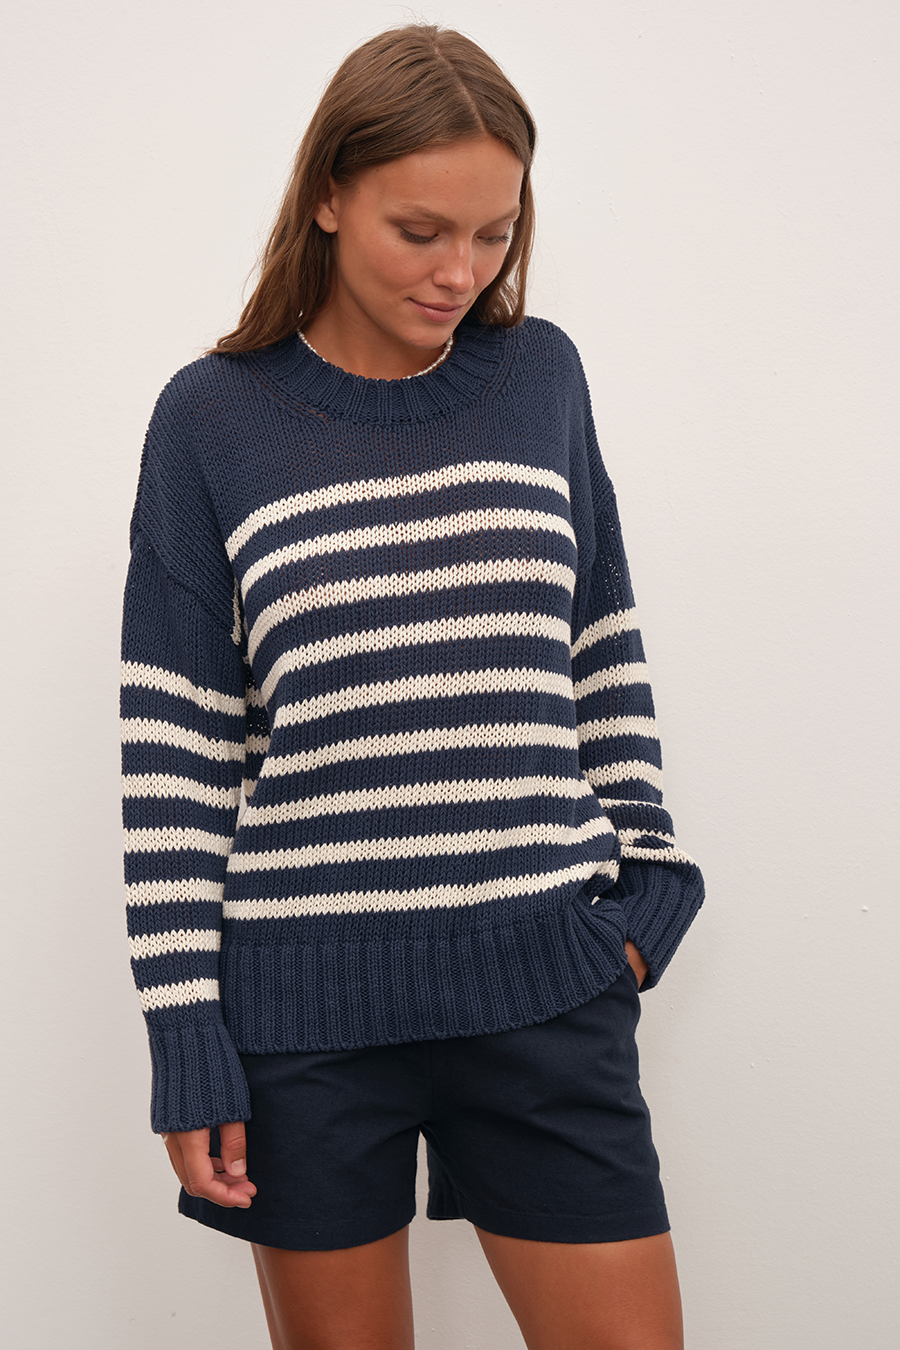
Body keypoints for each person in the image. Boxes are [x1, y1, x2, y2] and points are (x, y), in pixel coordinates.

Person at [121, 23, 703, 1350]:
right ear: (328, 195)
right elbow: (175, 752)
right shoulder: (209, 421)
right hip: (307, 1015)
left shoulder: (540, 378)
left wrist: (649, 883)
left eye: (496, 234)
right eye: (421, 230)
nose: (461, 272)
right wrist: (186, 1033)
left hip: (547, 985)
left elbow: (598, 644)